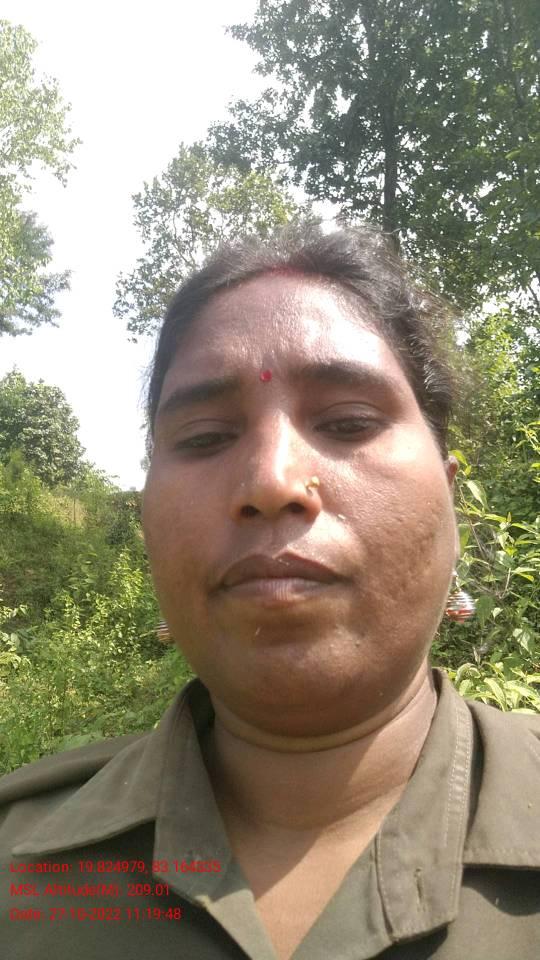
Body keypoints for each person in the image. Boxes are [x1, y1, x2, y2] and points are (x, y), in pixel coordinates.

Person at [1, 223, 539, 960]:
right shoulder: (17, 862)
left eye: (348, 422)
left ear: (450, 505)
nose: (271, 480)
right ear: (147, 522)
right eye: (204, 437)